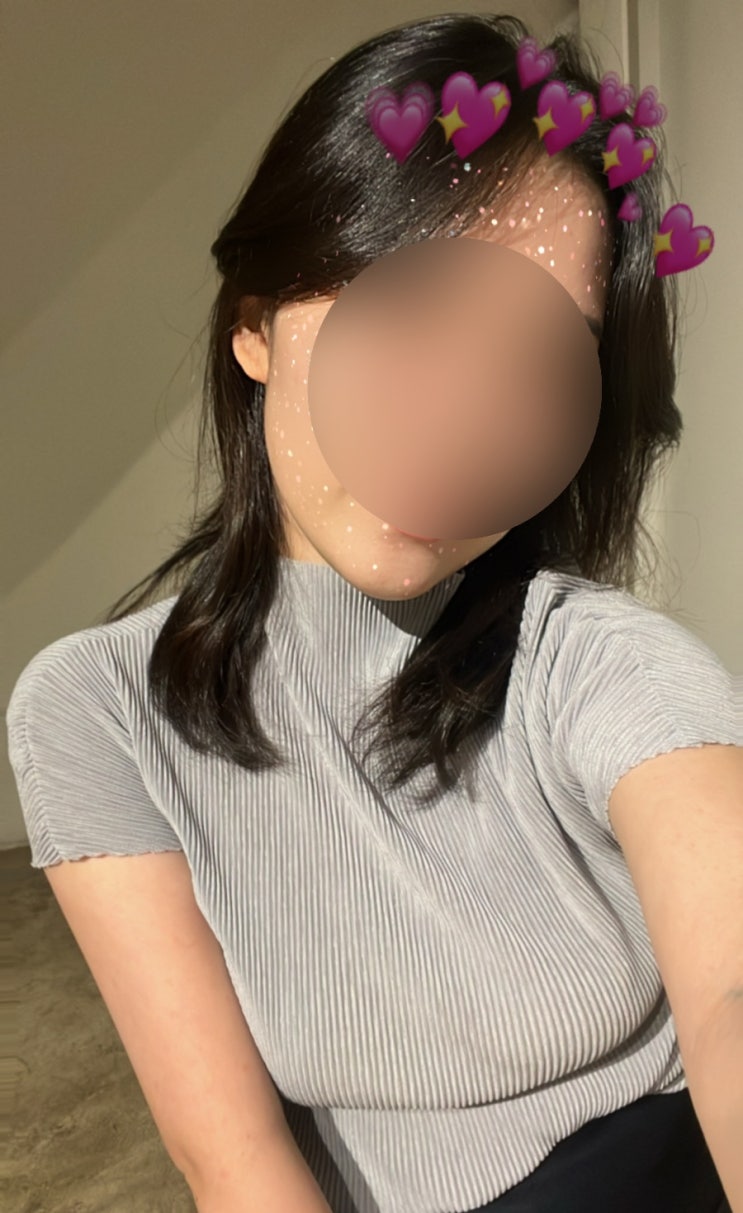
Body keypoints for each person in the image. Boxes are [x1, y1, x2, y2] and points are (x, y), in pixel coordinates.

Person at [6, 12, 741, 1213]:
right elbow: (229, 1157)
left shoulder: (597, 664)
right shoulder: (96, 710)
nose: (460, 417)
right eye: (406, 311)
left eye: (533, 359)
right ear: (254, 323)